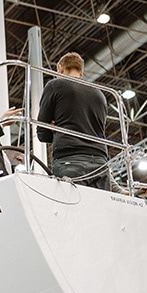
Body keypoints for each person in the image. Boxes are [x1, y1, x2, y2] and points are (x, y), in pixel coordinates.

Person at [36, 52, 112, 191]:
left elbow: (42, 132)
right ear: (81, 74)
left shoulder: (56, 85)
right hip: (100, 161)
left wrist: (56, 129)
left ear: (61, 69)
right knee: (100, 211)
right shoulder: (100, 94)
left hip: (70, 159)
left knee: (71, 210)